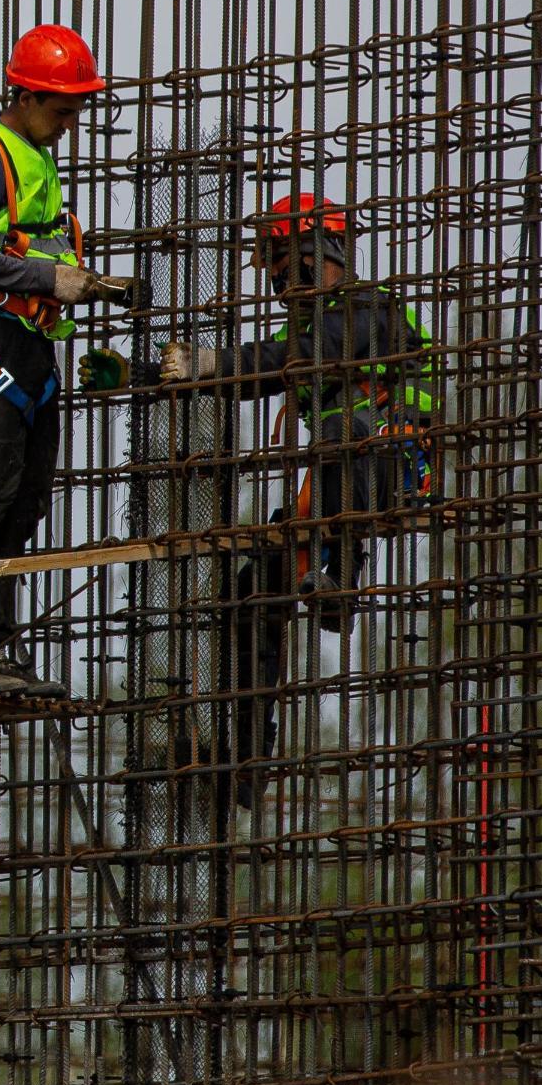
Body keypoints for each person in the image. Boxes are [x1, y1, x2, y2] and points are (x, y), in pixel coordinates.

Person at [160, 192, 437, 797]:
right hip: (335, 484)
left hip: (388, 465)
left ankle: (343, 577)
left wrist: (210, 362)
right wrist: (144, 375)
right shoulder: (311, 323)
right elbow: (271, 369)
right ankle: (248, 757)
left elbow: (297, 360)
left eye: (283, 258)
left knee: (343, 431)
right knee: (252, 590)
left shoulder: (363, 307)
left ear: (318, 251)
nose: (278, 275)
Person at [0, 24, 146, 715]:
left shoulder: (33, 157)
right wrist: (53, 277)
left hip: (29, 348)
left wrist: (81, 285)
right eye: (62, 109)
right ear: (23, 95)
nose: (71, 124)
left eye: (77, 110)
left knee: (25, 501)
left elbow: (30, 244)